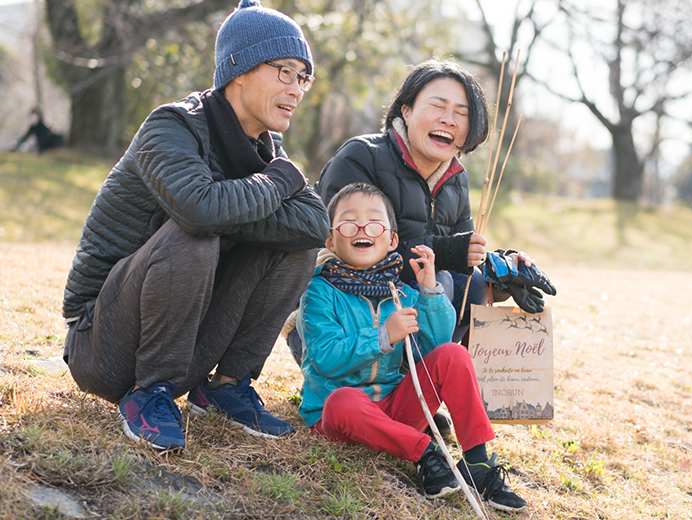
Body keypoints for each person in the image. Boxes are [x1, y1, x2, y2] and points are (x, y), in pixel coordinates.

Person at [61, 0, 328, 451]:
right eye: (285, 71)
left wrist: (232, 211)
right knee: (195, 232)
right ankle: (149, 395)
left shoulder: (267, 147)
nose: (298, 89)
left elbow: (313, 224)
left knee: (293, 243)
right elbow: (199, 211)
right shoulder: (171, 126)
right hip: (102, 345)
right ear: (239, 69)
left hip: (188, 338)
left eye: (304, 77)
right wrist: (275, 183)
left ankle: (224, 386)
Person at [297, 183, 528, 513]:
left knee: (454, 354)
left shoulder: (399, 291)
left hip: (396, 406)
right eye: (349, 223)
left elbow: (433, 349)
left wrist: (430, 291)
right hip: (341, 414)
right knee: (342, 402)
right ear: (331, 239)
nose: (362, 229)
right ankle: (425, 453)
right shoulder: (320, 292)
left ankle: (477, 463)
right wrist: (382, 337)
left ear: (391, 239)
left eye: (374, 222)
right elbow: (324, 359)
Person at [313, 58, 553, 350]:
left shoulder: (456, 178)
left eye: (460, 113)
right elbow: (350, 247)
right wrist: (449, 253)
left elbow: (463, 256)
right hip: (344, 317)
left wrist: (503, 269)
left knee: (473, 285)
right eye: (437, 107)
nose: (448, 119)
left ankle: (432, 372)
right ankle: (405, 371)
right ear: (407, 110)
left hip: (415, 305)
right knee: (440, 279)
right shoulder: (362, 156)